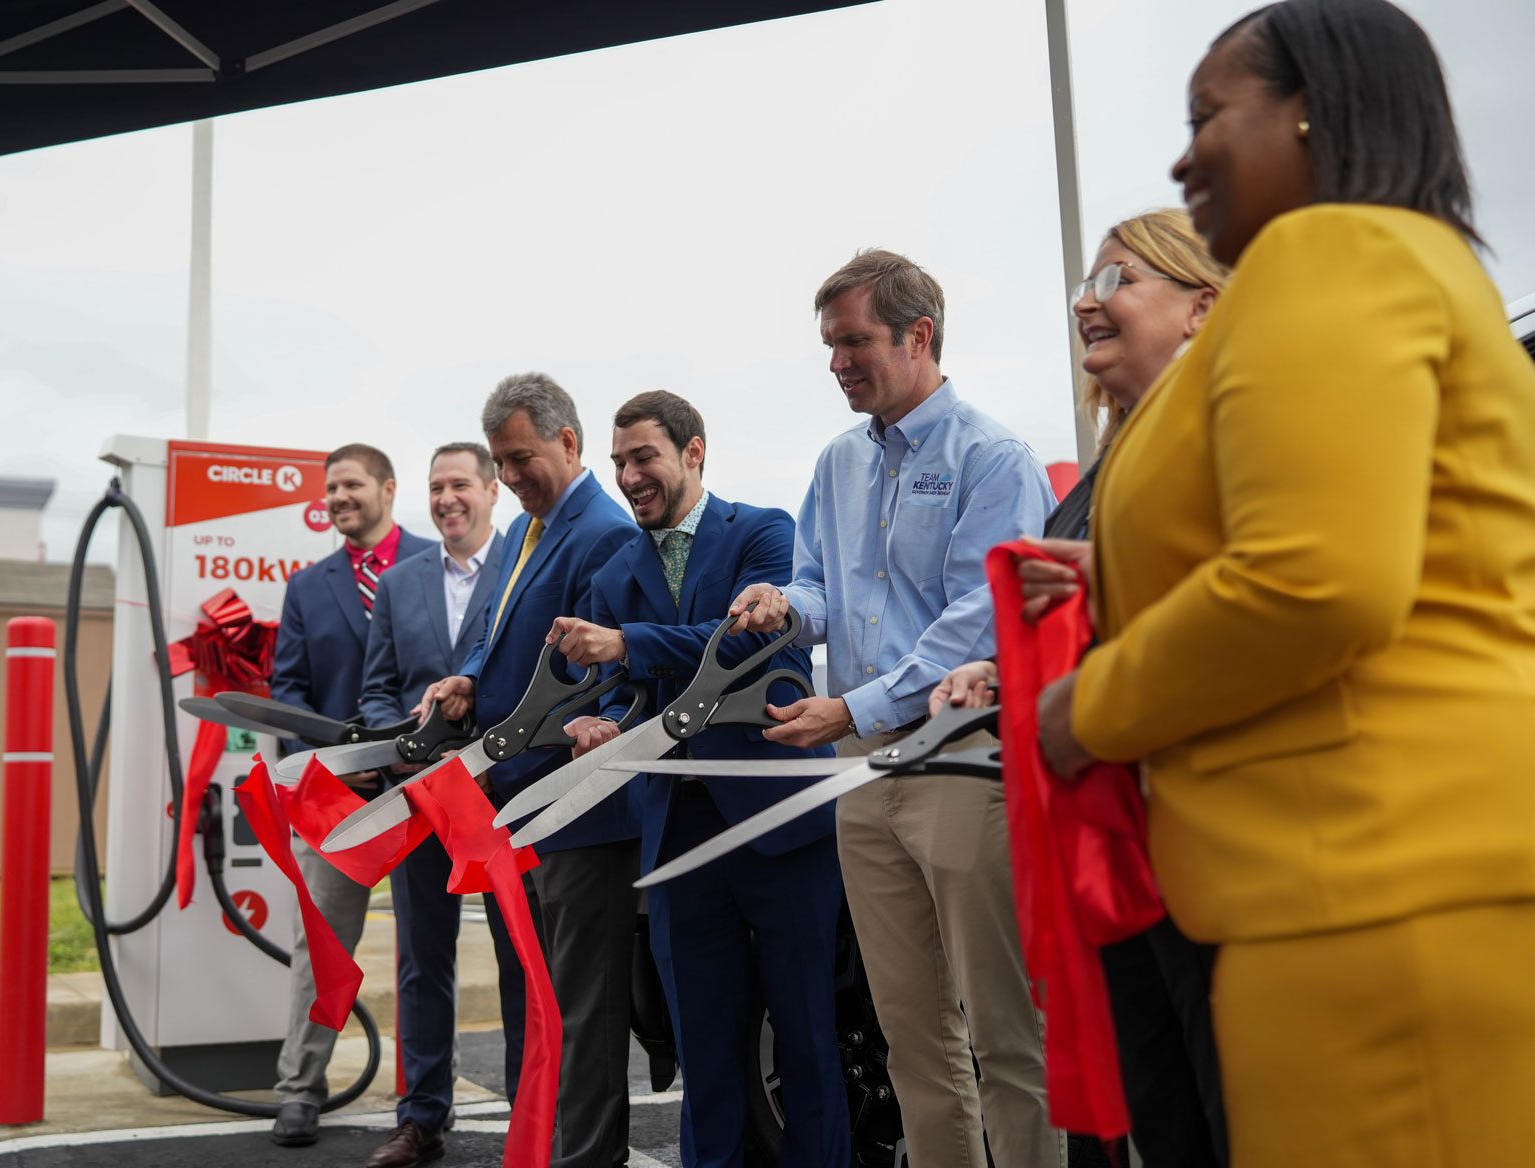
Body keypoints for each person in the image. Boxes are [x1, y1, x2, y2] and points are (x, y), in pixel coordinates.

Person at [1019, 4, 1535, 1166]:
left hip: (1380, 892)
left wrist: (1088, 708)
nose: (1182, 160)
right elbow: (1356, 538)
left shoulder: (1328, 257)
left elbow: (1317, 582)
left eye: (1206, 117)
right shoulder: (1381, 264)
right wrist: (1116, 573)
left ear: (1312, 111)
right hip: (1364, 887)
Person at [730, 250, 1065, 1168]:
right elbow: (822, 586)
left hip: (960, 762)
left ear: (920, 336)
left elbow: (978, 622)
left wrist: (851, 709)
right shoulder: (838, 462)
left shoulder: (993, 460)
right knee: (909, 1033)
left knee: (1006, 1034)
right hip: (864, 774)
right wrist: (784, 607)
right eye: (829, 345)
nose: (836, 363)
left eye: (853, 341)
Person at [935, 209, 1233, 1168]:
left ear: (1202, 307)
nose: (1085, 303)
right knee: (1160, 1112)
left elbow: (1253, 603)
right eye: (1084, 287)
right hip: (1120, 847)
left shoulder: (1234, 430)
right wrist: (1001, 669)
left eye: (1118, 281)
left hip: (1205, 843)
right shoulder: (1110, 467)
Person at [545, 391, 851, 1168]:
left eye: (643, 457)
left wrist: (626, 643)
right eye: (619, 463)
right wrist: (599, 724)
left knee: (809, 1037)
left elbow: (756, 648)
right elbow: (620, 692)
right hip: (677, 833)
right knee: (704, 1050)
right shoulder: (617, 571)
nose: (628, 477)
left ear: (693, 452)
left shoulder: (764, 532)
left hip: (780, 819)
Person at [419, 374, 640, 1168]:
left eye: (521, 459)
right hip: (516, 808)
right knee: (534, 1006)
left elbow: (598, 681)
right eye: (501, 464)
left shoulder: (603, 533)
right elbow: (496, 630)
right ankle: (537, 1146)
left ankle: (586, 1157)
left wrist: (505, 754)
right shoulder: (524, 530)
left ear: (568, 443)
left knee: (581, 1013)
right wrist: (469, 676)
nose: (509, 478)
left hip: (576, 812)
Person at [354, 442, 536, 1168]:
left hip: (501, 796)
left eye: (459, 483)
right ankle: (421, 1117)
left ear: (492, 491)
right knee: (421, 959)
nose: (445, 498)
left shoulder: (523, 567)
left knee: (518, 958)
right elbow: (376, 690)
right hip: (420, 797)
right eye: (435, 487)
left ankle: (531, 1111)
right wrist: (402, 738)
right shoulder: (399, 584)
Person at [268, 443, 433, 1149]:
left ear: (387, 489)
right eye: (330, 488)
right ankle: (299, 1090)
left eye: (351, 485)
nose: (338, 497)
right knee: (323, 951)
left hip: (424, 793)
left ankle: (426, 1103)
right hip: (337, 800)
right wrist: (329, 763)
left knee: (429, 953)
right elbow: (287, 692)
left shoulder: (436, 563)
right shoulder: (308, 588)